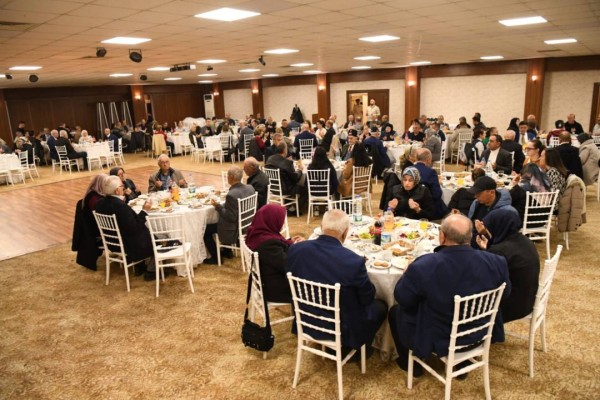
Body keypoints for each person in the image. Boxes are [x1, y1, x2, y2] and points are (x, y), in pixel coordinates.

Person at [388, 214, 510, 376]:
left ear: (442, 236)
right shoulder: (497, 261)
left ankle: (411, 365)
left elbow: (403, 298)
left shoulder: (424, 265)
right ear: (470, 236)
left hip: (441, 336)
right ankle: (462, 362)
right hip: (481, 331)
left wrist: (407, 274)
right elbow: (505, 294)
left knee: (395, 312)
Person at [287, 209, 387, 356]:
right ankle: (358, 348)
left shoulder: (296, 250)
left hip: (305, 318)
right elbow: (367, 298)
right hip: (342, 327)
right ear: (345, 233)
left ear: (321, 227)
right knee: (381, 306)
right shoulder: (353, 261)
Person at [475, 209, 539, 323]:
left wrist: (488, 251)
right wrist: (488, 249)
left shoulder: (499, 251)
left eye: (489, 228)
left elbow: (485, 280)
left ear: (498, 226)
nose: (488, 231)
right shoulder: (525, 240)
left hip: (511, 306)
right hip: (528, 300)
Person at [95, 175, 156, 281]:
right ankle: (151, 271)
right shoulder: (120, 206)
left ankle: (140, 266)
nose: (123, 187)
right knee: (158, 238)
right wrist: (144, 211)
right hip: (127, 245)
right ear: (117, 191)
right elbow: (134, 227)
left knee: (147, 233)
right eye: (121, 186)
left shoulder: (99, 204)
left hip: (111, 242)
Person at [245, 204, 304, 303]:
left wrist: (291, 243)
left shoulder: (259, 233)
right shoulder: (268, 244)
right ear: (272, 220)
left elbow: (279, 248)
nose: (282, 223)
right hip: (277, 288)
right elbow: (288, 266)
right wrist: (301, 249)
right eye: (281, 220)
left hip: (270, 279)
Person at [203, 166, 255, 265]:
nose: (227, 177)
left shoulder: (231, 194)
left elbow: (230, 217)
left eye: (227, 175)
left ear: (231, 177)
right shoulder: (250, 187)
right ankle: (228, 252)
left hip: (235, 229)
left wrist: (217, 206)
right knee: (221, 220)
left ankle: (216, 257)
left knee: (205, 230)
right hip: (248, 223)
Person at [72, 174, 108, 271]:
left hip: (93, 227)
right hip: (95, 230)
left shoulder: (93, 194)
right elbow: (103, 215)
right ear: (101, 184)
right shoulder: (94, 198)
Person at [265, 142, 306, 214]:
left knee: (289, 182)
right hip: (285, 189)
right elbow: (295, 178)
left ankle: (288, 205)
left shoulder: (270, 159)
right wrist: (300, 170)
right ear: (284, 150)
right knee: (305, 189)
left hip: (273, 188)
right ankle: (293, 209)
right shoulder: (287, 163)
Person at [413, 148, 447, 219]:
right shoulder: (431, 172)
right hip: (427, 208)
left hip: (411, 205)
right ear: (428, 160)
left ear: (416, 158)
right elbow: (437, 194)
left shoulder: (409, 169)